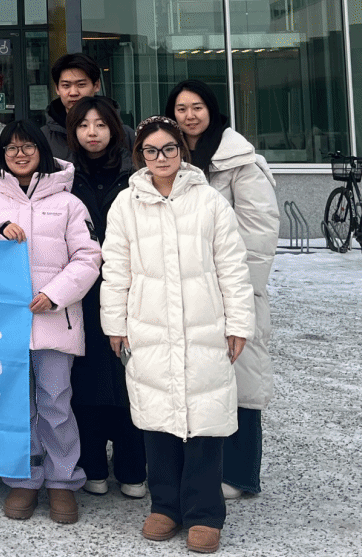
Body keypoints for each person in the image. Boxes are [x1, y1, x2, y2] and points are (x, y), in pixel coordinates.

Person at [101, 116, 253, 555]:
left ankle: (204, 513)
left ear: (181, 152)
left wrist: (239, 323)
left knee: (205, 416)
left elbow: (232, 266)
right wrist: (115, 324)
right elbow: (115, 270)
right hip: (148, 325)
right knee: (157, 417)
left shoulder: (209, 201)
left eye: (169, 148)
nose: (161, 157)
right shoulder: (126, 204)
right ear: (140, 156)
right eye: (151, 150)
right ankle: (165, 506)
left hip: (204, 325)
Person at [0, 121, 101, 525]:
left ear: (42, 151)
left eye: (27, 147)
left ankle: (62, 481)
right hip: (4, 325)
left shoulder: (69, 203)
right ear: (1, 156)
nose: (20, 154)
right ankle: (23, 478)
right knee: (15, 406)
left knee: (56, 403)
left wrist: (55, 294)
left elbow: (89, 257)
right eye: (11, 148)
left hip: (54, 322)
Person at [165, 79, 278, 501]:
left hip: (232, 288)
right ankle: (202, 468)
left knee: (241, 377)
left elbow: (260, 231)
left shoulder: (240, 161)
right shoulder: (172, 157)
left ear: (212, 110)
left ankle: (242, 473)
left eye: (197, 107)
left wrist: (242, 291)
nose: (189, 116)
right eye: (181, 109)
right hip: (188, 290)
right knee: (201, 380)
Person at [64, 97, 146, 499]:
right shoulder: (62, 177)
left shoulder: (137, 176)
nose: (92, 133)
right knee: (87, 377)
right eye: (83, 125)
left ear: (115, 129)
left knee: (130, 373)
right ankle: (92, 462)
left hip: (131, 287)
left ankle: (133, 466)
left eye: (100, 124)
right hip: (80, 291)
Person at [43, 53, 134, 160]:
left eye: (81, 85)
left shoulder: (126, 135)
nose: (73, 92)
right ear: (57, 89)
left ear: (96, 85)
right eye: (66, 85)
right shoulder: (43, 137)